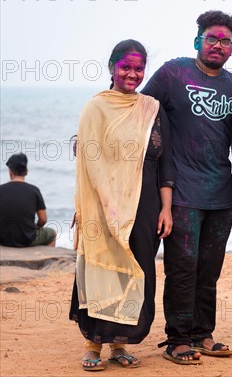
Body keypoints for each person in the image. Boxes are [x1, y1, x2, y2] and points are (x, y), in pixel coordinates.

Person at [141, 10, 232, 364]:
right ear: (197, 40)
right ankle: (177, 339)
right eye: (212, 38)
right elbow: (137, 110)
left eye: (226, 40)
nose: (218, 45)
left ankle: (203, 334)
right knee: (182, 267)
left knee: (209, 270)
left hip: (220, 194)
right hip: (181, 192)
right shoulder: (173, 73)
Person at [69, 39, 174, 371]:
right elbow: (88, 163)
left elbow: (166, 163)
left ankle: (119, 344)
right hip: (103, 205)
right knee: (101, 270)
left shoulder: (151, 108)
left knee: (135, 272)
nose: (133, 73)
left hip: (144, 206)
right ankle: (92, 345)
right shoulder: (96, 108)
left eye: (139, 68)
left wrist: (166, 208)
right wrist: (90, 205)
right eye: (126, 67)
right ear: (112, 67)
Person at [0, 153, 56, 247]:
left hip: (3, 239)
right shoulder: (34, 190)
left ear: (11, 172)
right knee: (51, 233)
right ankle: (49, 259)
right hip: (27, 238)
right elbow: (43, 219)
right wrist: (36, 227)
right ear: (26, 171)